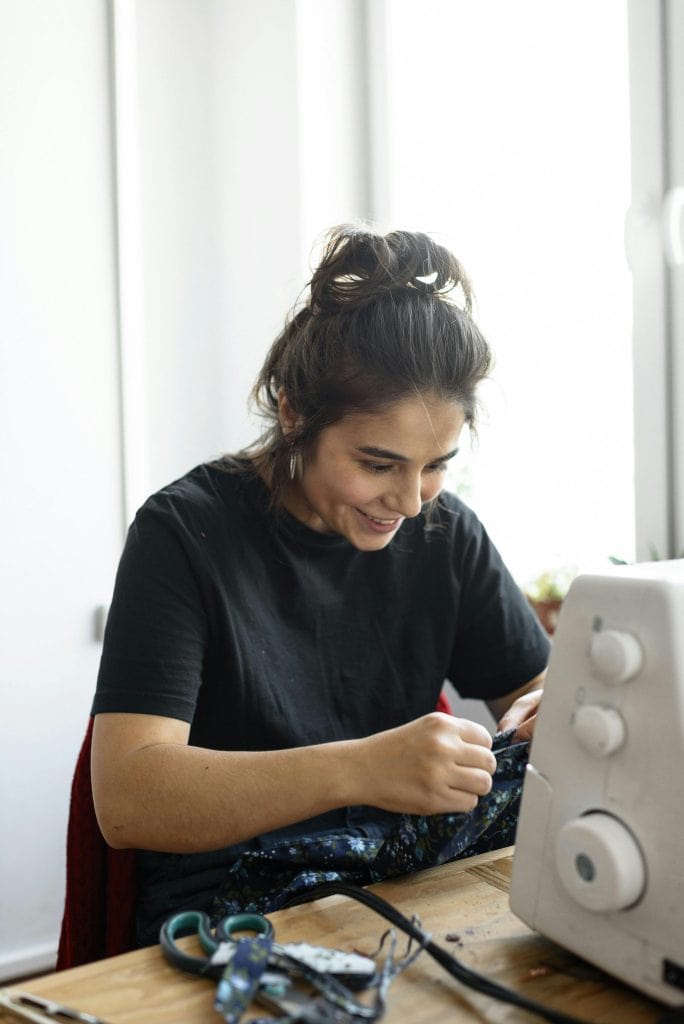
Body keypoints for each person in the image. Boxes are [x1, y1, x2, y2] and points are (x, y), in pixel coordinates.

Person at [91, 224, 549, 946]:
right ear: (293, 411)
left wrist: (558, 712)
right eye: (378, 464)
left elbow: (537, 695)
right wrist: (363, 769)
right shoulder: (183, 533)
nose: (410, 500)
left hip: (402, 881)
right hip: (231, 906)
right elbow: (129, 800)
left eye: (436, 464)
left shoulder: (445, 533)